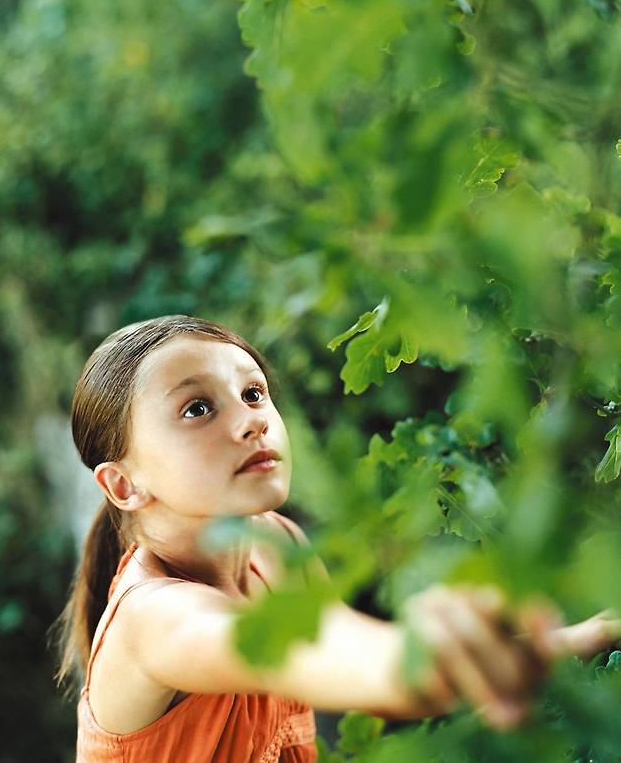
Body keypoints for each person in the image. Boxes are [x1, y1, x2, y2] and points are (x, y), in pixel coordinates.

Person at [56, 315, 621, 763]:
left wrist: (592, 633)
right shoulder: (155, 620)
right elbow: (392, 669)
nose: (252, 421)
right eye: (197, 408)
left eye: (253, 394)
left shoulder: (277, 545)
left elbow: (366, 666)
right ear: (124, 485)